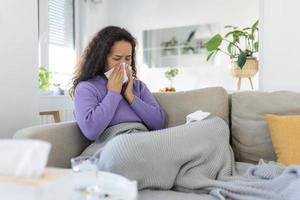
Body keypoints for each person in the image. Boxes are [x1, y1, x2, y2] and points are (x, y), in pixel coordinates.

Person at [70, 26, 166, 141]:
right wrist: (113, 93)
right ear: (101, 59)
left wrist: (131, 96)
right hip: (114, 144)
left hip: (144, 140)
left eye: (128, 58)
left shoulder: (138, 86)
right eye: (117, 58)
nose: (123, 64)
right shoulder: (87, 88)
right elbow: (91, 131)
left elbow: (159, 124)